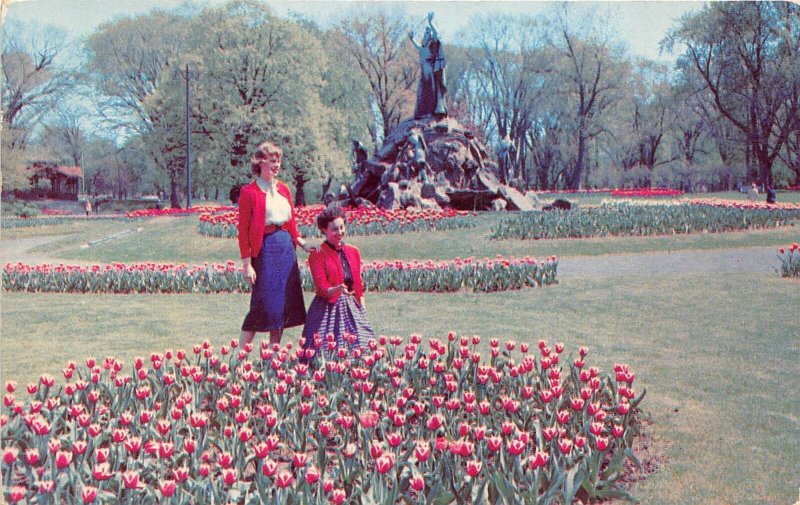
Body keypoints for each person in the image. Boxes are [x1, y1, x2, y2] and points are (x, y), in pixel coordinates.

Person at [238, 141, 314, 348]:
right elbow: (243, 232)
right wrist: (247, 265)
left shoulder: (284, 189)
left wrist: (302, 243)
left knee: (281, 306)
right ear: (260, 162)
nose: (277, 164)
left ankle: (274, 355)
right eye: (272, 160)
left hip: (285, 250)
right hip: (265, 251)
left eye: (278, 160)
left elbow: (291, 223)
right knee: (261, 305)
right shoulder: (249, 192)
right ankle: (240, 356)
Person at [301, 205, 374, 361]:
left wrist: (362, 308)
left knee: (363, 348)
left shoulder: (353, 252)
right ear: (324, 230)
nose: (339, 232)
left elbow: (358, 285)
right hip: (327, 308)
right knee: (322, 354)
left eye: (342, 227)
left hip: (351, 306)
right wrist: (339, 289)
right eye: (334, 229)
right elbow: (322, 289)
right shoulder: (318, 254)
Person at [409, 12, 447, 118]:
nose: (426, 34)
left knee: (431, 90)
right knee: (422, 91)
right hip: (423, 73)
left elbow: (436, 34)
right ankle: (422, 112)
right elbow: (417, 46)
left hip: (430, 71)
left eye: (428, 32)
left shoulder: (432, 44)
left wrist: (430, 22)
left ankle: (432, 111)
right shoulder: (423, 47)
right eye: (425, 32)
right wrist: (412, 38)